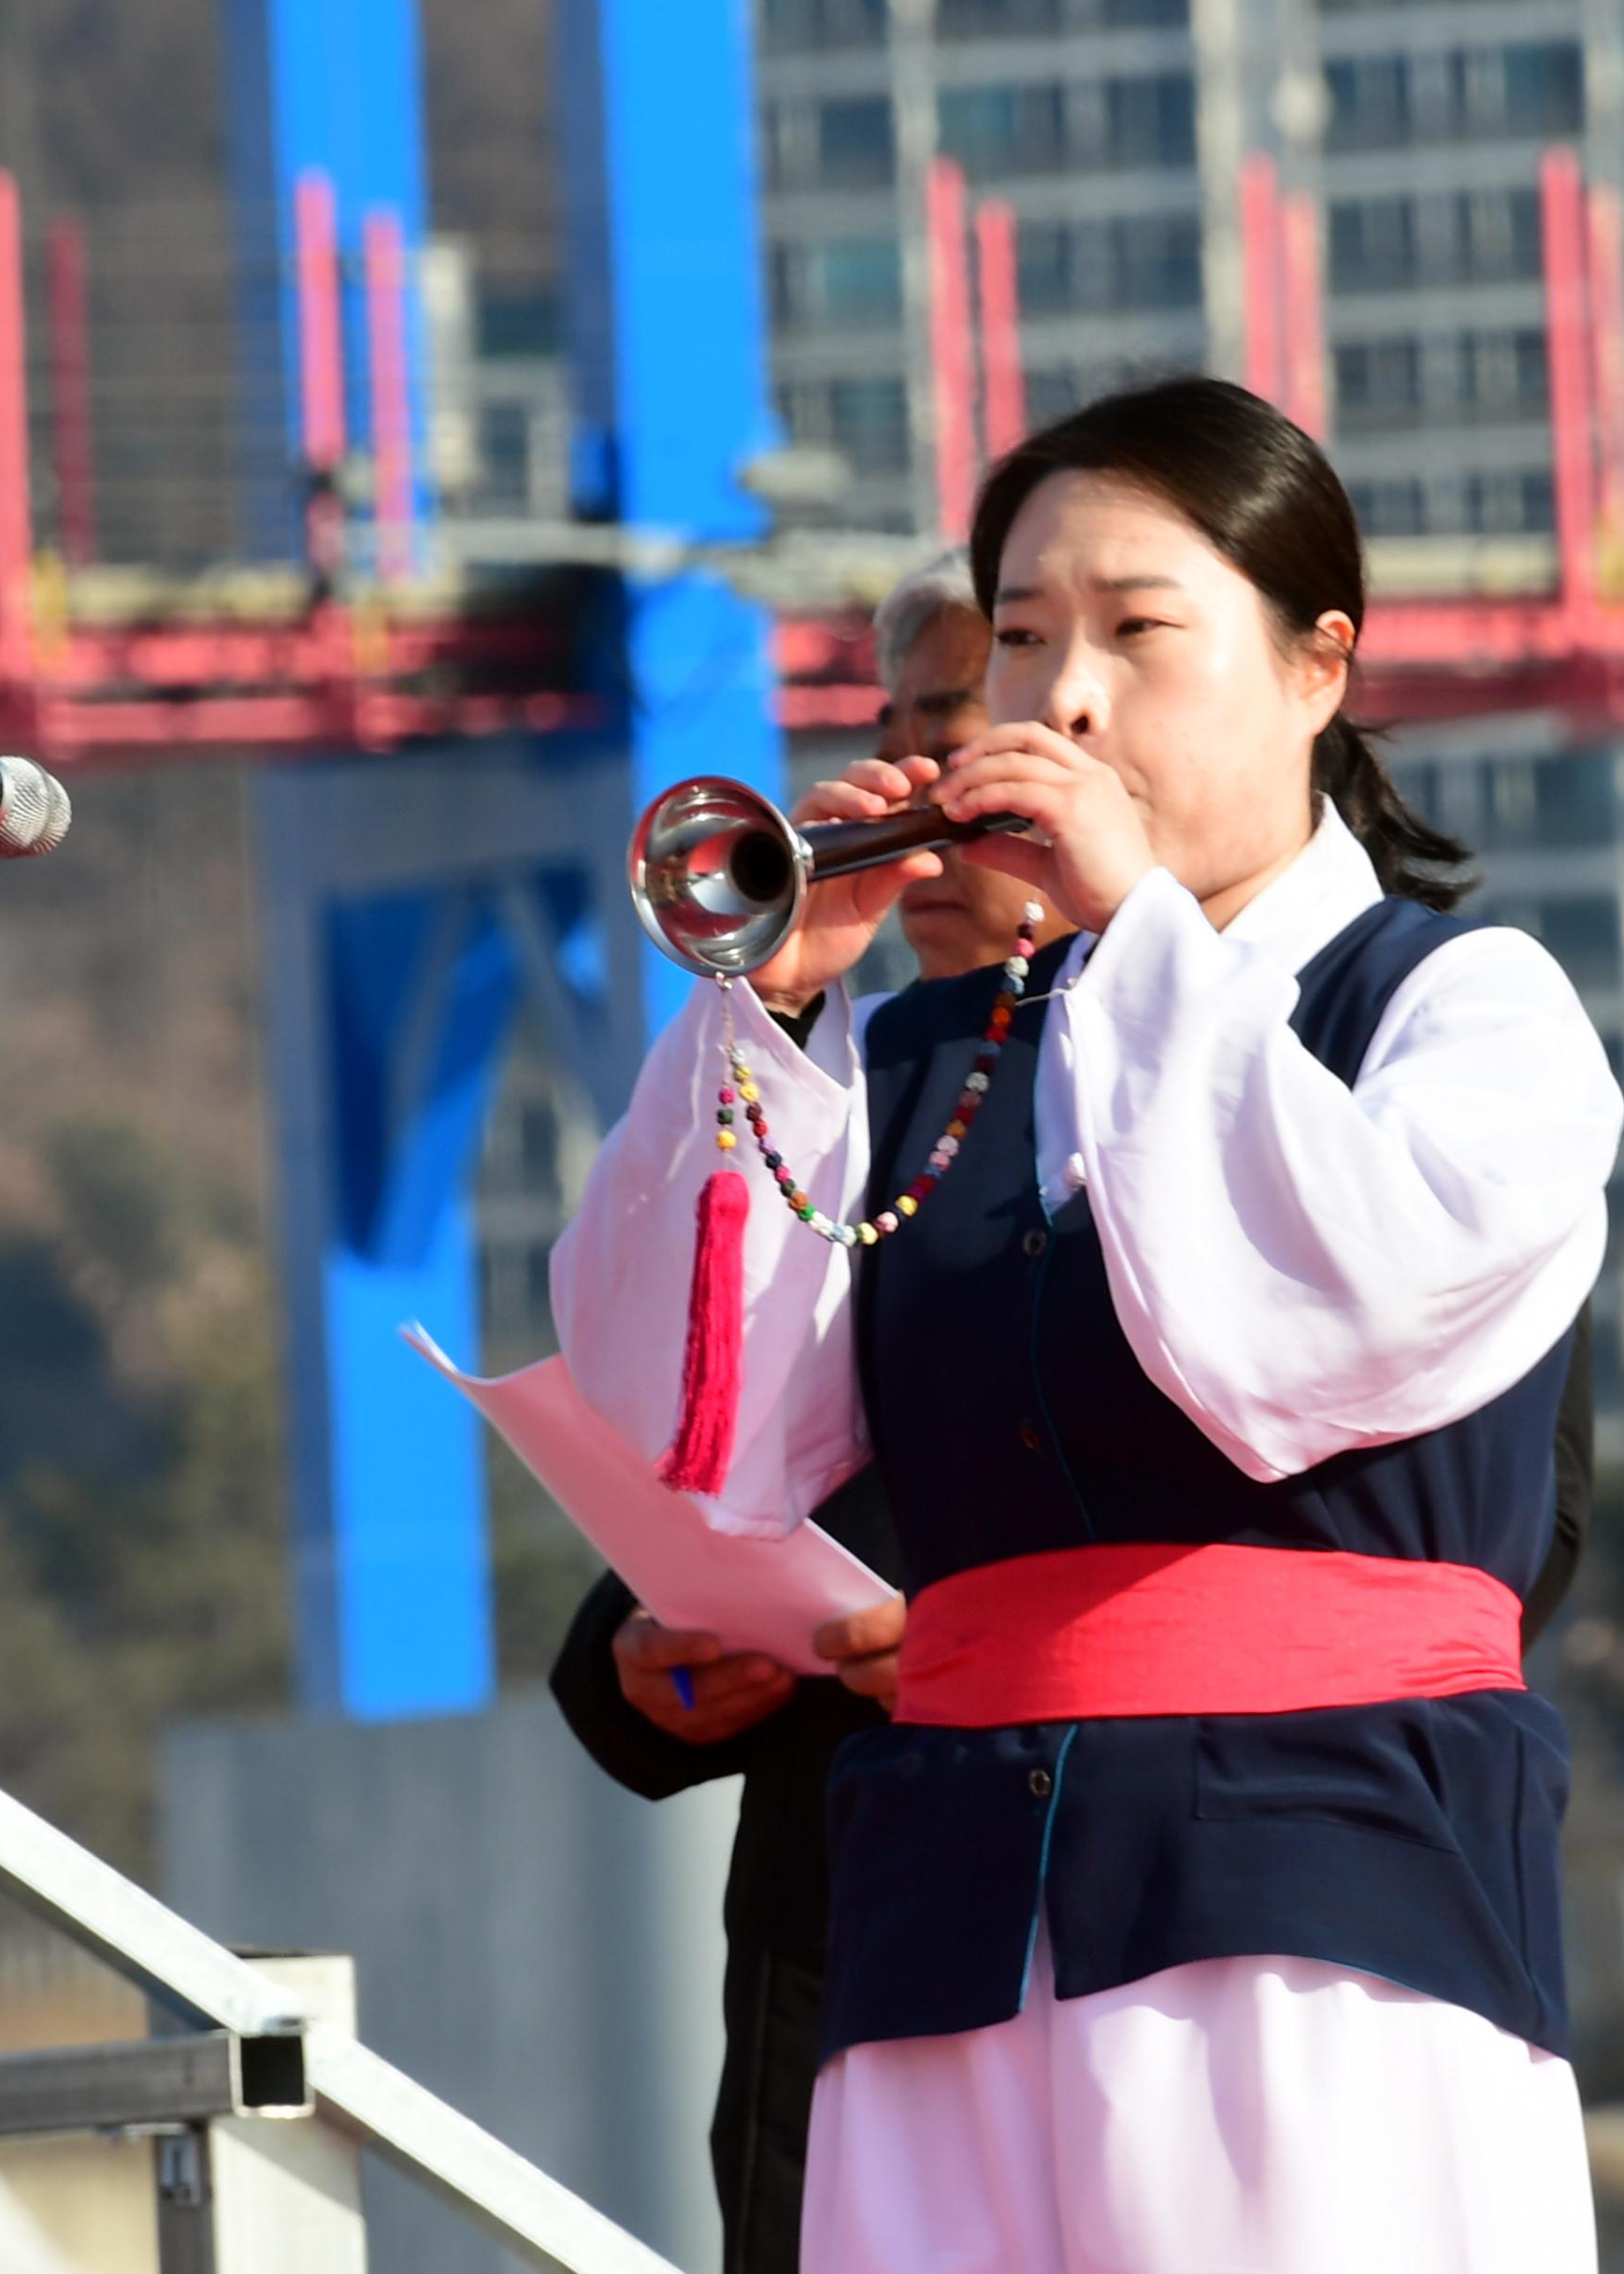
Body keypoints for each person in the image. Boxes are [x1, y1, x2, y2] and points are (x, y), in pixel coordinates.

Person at [553, 376, 1622, 2272]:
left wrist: (1133, 930)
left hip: (1317, 1910)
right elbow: (700, 1436)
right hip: (944, 1921)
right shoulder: (928, 1053)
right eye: (1029, 638)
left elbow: (1323, 1332)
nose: (1063, 698)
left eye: (1138, 631)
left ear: (1316, 667)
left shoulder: (1466, 1008)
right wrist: (777, 1025)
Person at [545, 548, 1071, 2274]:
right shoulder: (835, 1073)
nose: (918, 785)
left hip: (1136, 1909)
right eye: (897, 728)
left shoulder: (1322, 1048)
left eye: (967, 729)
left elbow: (1516, 1536)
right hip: (842, 1930)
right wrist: (644, 1657)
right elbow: (705, 1440)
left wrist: (1003, 1635)